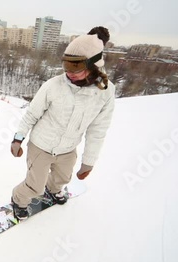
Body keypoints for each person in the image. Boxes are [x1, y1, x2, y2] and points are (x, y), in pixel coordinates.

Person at [10, 30, 115, 221]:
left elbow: (98, 130)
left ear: (93, 65)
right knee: (35, 185)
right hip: (41, 145)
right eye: (66, 65)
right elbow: (32, 113)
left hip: (68, 148)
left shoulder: (105, 92)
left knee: (63, 179)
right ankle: (18, 200)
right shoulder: (53, 85)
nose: (69, 73)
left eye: (76, 67)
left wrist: (89, 161)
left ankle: (54, 190)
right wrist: (18, 138)